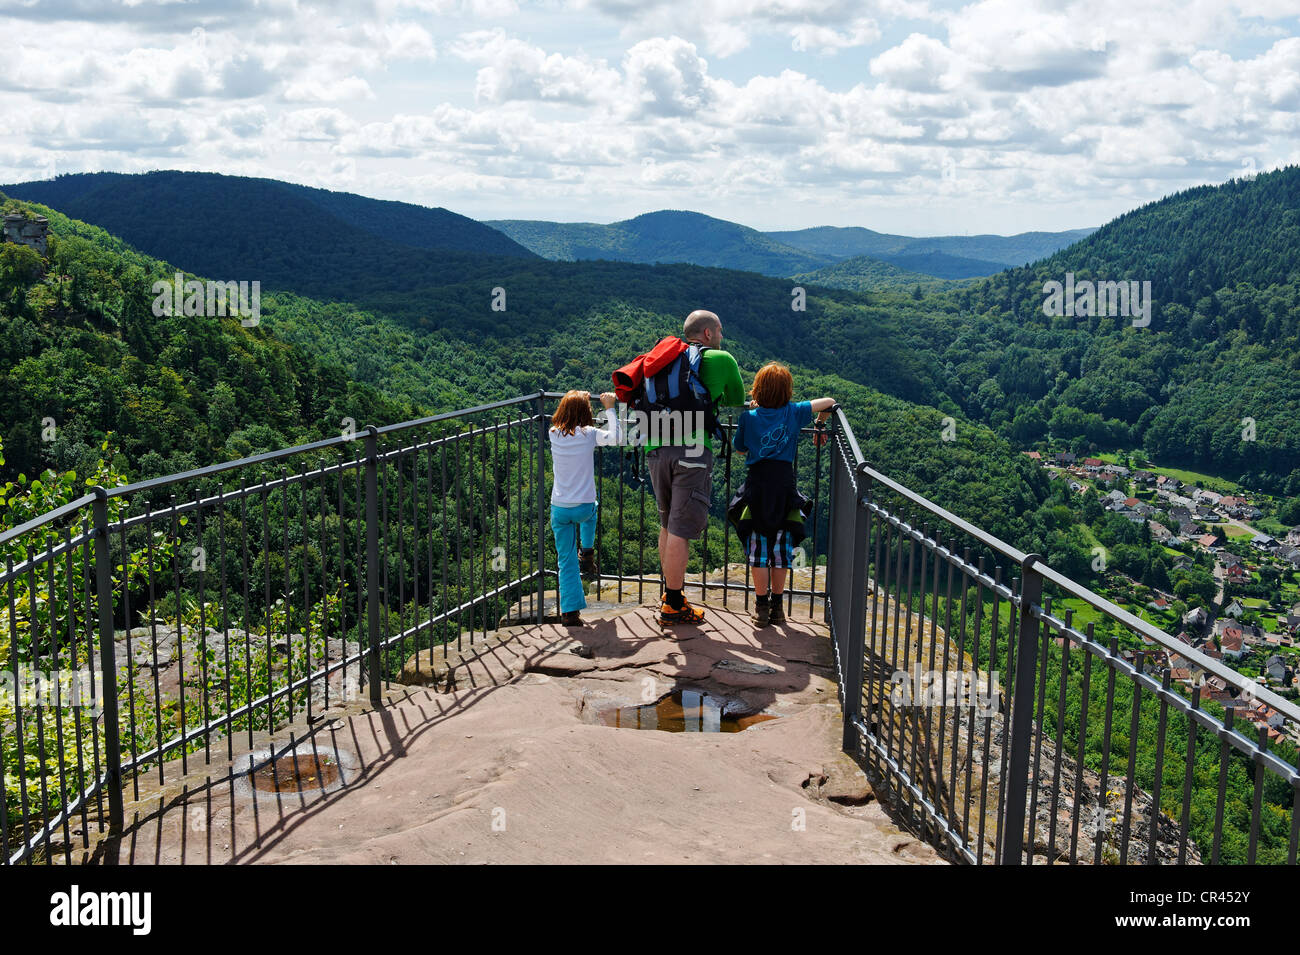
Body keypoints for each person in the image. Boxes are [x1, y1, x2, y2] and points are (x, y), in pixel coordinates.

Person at [645, 309, 745, 625]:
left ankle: (669, 594)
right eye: (719, 331)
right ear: (707, 334)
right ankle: (674, 605)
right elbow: (737, 399)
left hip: (654, 446)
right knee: (681, 529)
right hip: (691, 449)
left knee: (666, 524)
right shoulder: (722, 360)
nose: (721, 337)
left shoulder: (662, 358)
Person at [729, 362, 834, 627]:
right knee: (781, 550)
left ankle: (761, 607)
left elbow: (740, 449)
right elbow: (830, 401)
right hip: (784, 487)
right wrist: (820, 425)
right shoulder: (794, 412)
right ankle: (778, 607)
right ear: (787, 391)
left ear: (757, 389)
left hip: (757, 487)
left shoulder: (748, 418)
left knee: (758, 551)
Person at [549, 389, 621, 627]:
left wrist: (577, 397)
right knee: (593, 510)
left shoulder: (553, 434)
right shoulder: (589, 434)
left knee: (565, 560)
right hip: (584, 506)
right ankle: (587, 552)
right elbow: (616, 438)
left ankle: (569, 612)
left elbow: (565, 423)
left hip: (559, 508)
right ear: (585, 412)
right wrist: (609, 407)